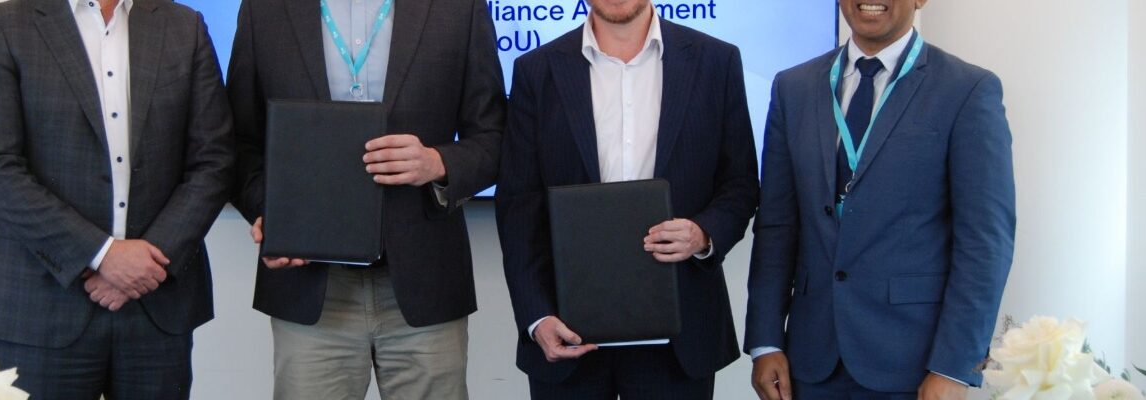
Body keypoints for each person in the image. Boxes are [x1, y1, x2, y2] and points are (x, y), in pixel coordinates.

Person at [225, 0, 505, 397]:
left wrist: (438, 162)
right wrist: (269, 213)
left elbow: (494, 138)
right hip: (309, 286)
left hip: (424, 280)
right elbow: (238, 142)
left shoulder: (459, 7)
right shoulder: (263, 8)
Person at [0, 0, 234, 398]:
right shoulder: (2, 26)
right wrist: (104, 255)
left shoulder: (183, 26)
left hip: (155, 306)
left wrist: (148, 259)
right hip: (41, 306)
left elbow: (215, 159)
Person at [744, 1, 1016, 399]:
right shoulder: (793, 87)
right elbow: (776, 226)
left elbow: (985, 242)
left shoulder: (967, 90)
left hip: (915, 366)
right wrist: (766, 341)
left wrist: (954, 367)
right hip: (809, 362)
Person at [495, 0, 760, 397]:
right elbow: (518, 206)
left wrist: (703, 235)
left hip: (681, 334)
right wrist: (536, 317)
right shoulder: (537, 69)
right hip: (567, 330)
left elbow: (740, 184)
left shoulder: (715, 60)